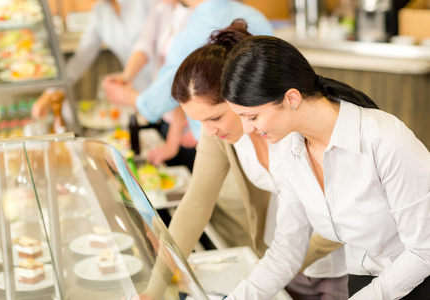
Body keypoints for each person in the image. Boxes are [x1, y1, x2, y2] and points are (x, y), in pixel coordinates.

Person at [221, 35, 430, 299]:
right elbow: (287, 250)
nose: (247, 129)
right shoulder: (290, 151)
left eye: (252, 116)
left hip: (417, 279)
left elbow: (424, 250)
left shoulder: (385, 139)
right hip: (364, 280)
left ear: (291, 98)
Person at [167, 20, 348, 299]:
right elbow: (195, 205)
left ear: (238, 93)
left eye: (214, 117)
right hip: (277, 259)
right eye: (199, 122)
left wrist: (279, 267)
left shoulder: (291, 123)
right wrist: (154, 287)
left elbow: (339, 216)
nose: (210, 131)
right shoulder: (218, 132)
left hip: (337, 265)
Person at [103, 0, 274, 143]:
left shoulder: (200, 26)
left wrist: (133, 99)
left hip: (227, 139)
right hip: (260, 131)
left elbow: (176, 85)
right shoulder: (252, 14)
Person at [102, 0, 197, 170]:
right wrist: (126, 76)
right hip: (169, 117)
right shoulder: (161, 7)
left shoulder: (196, 16)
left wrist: (172, 143)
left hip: (189, 124)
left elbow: (183, 81)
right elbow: (145, 43)